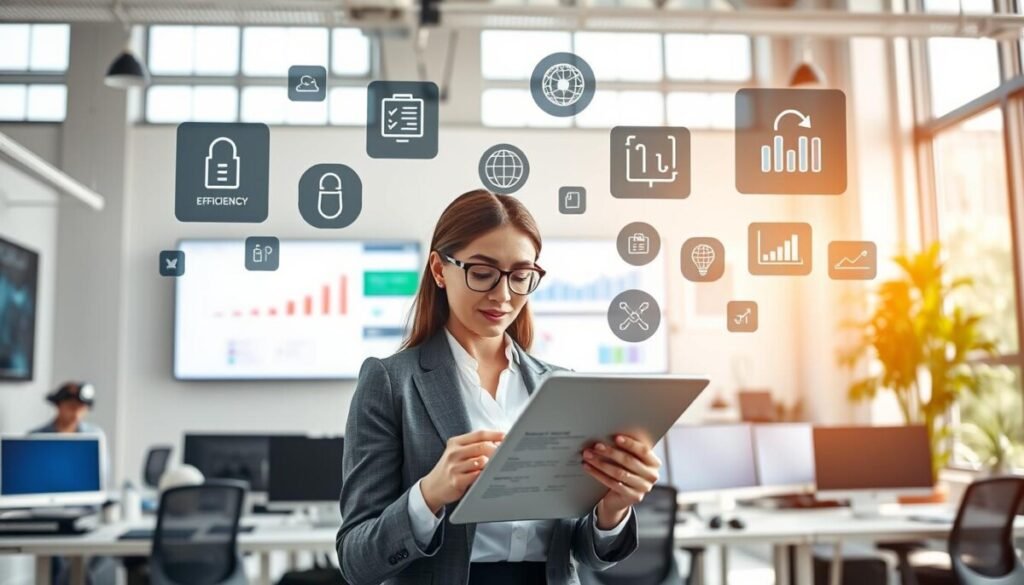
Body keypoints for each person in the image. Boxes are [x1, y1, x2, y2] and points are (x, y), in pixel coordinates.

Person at [337, 190, 662, 585]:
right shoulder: (391, 383)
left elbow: (579, 551)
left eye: (521, 275)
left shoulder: (559, 385)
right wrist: (430, 494)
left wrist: (613, 508)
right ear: (440, 269)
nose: (503, 295)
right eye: (482, 272)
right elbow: (356, 561)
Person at [32, 382, 114, 585]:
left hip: (88, 513)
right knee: (56, 560)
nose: (76, 411)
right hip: (48, 513)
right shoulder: (37, 438)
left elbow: (103, 480)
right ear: (58, 405)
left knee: (100, 557)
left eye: (81, 407)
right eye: (71, 406)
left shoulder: (94, 437)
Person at [33, 381, 103, 434]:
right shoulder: (35, 438)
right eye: (72, 407)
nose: (77, 413)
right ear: (58, 405)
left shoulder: (94, 435)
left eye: (81, 409)